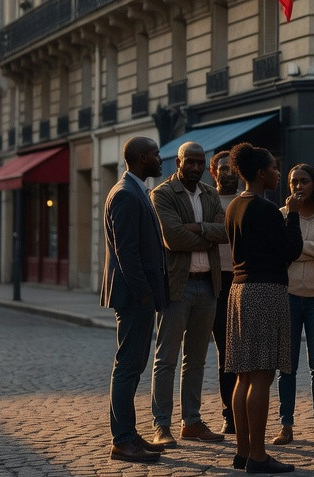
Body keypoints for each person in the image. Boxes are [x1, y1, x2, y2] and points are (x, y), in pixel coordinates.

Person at [224, 143, 304, 474]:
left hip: (239, 290)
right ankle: (257, 455)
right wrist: (294, 214)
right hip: (265, 291)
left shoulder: (233, 206)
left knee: (245, 375)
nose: (277, 172)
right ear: (260, 173)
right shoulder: (266, 208)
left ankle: (244, 452)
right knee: (262, 375)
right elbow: (291, 250)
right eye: (273, 167)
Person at [146, 141, 231, 447]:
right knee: (166, 359)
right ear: (178, 162)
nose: (195, 167)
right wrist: (205, 233)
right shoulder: (163, 194)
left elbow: (226, 232)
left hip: (209, 284)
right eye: (189, 162)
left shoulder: (210, 194)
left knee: (196, 359)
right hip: (177, 286)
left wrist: (195, 228)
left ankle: (191, 422)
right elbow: (172, 238)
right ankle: (161, 425)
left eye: (199, 162)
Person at [100, 136, 168, 463]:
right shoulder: (126, 194)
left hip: (138, 296)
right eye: (155, 154)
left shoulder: (135, 189)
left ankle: (129, 434)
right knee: (127, 368)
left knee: (133, 367)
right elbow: (127, 253)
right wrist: (144, 295)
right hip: (133, 297)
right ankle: (123, 440)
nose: (160, 158)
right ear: (142, 158)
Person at [273, 163, 314, 447]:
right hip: (288, 296)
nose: (298, 186)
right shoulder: (281, 215)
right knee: (286, 366)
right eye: (293, 182)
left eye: (303, 181)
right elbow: (279, 251)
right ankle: (285, 425)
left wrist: (297, 248)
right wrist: (309, 248)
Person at [209, 148, 240, 435]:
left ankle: (244, 412)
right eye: (223, 167)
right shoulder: (208, 202)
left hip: (244, 282)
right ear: (213, 171)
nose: (228, 172)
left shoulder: (247, 201)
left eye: (232, 168)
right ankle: (229, 415)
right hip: (217, 284)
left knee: (245, 354)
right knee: (225, 354)